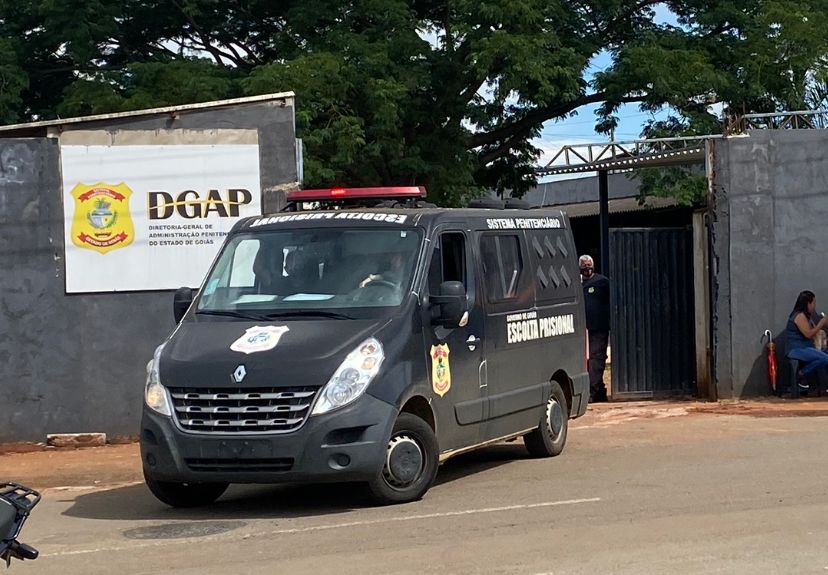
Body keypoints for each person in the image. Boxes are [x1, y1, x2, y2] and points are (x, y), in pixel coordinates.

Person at [580, 254, 610, 403]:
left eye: (589, 265)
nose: (587, 268)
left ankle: (594, 389)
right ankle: (598, 390)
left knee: (595, 359)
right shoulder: (575, 283)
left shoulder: (602, 282)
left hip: (598, 328)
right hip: (580, 330)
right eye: (584, 266)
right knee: (583, 361)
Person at [785, 290, 828, 387]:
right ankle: (801, 374)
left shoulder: (807, 316)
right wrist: (820, 324)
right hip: (796, 349)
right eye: (814, 303)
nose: (814, 306)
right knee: (825, 358)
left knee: (825, 355)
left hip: (807, 347)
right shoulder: (799, 316)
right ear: (808, 303)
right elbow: (808, 334)